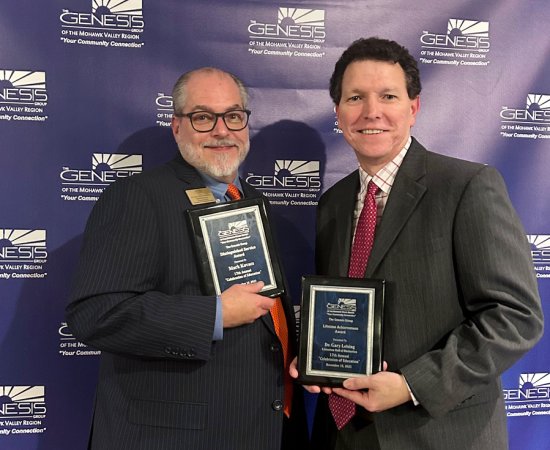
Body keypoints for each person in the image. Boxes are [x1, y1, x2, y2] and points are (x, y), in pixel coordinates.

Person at [290, 37, 544, 449]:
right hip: (345, 435)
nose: (371, 112)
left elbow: (515, 317)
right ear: (338, 113)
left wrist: (412, 384)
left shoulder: (467, 187)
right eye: (355, 98)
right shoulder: (333, 204)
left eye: (388, 96)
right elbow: (344, 308)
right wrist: (318, 358)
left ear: (413, 108)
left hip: (439, 433)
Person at [66, 67, 308, 450]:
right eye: (202, 117)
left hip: (261, 427)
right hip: (174, 436)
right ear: (177, 126)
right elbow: (95, 312)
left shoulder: (253, 201)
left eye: (233, 116)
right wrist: (214, 315)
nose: (221, 130)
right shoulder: (137, 197)